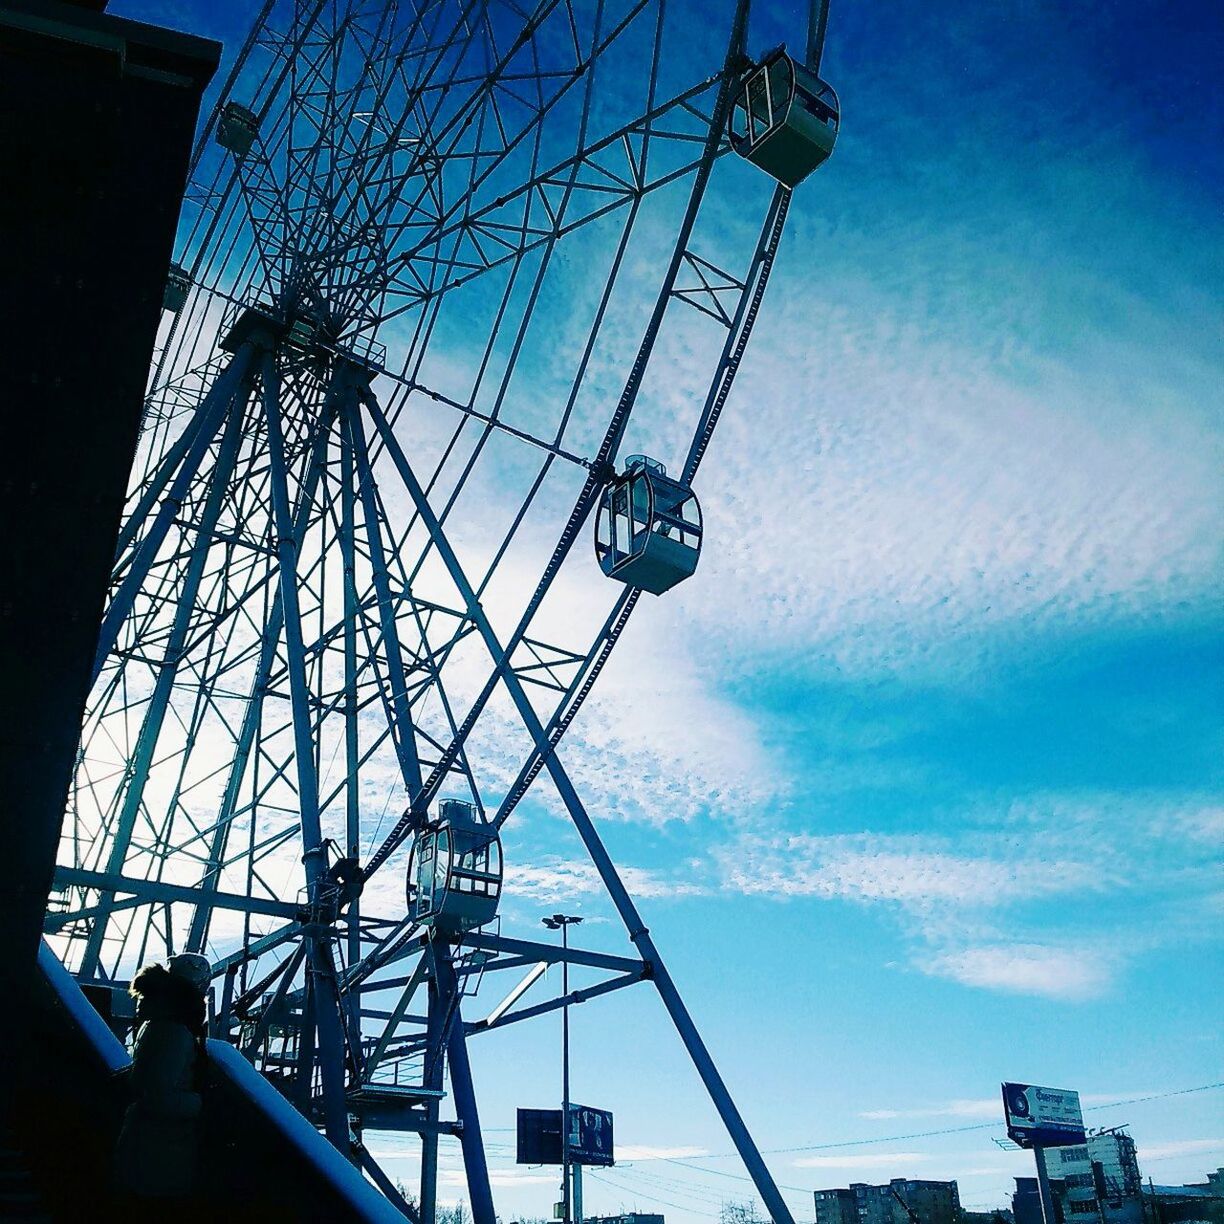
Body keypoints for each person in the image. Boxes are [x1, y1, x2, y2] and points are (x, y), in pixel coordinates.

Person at [114, 952, 211, 1214]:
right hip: (160, 1152)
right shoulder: (174, 1032)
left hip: (146, 1146)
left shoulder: (157, 1023)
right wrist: (199, 1103)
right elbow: (158, 1096)